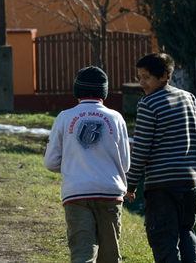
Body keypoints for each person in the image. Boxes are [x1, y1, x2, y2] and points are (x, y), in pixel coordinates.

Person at [126, 53, 196, 263]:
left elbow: (141, 149)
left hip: (161, 187)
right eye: (139, 77)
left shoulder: (148, 105)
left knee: (163, 237)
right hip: (188, 184)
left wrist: (131, 184)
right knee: (186, 231)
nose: (142, 82)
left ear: (164, 76)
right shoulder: (188, 98)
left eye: (147, 77)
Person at [44, 66, 131, 263]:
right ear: (104, 92)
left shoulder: (64, 117)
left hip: (76, 194)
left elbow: (50, 162)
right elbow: (125, 164)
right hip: (110, 193)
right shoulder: (116, 118)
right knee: (110, 255)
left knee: (82, 254)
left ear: (77, 90)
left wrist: (72, 166)